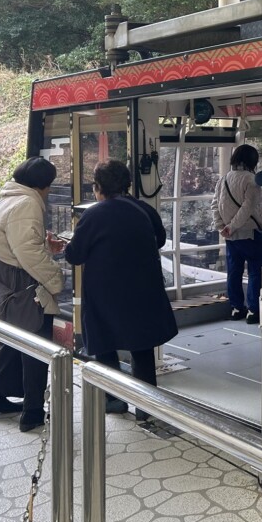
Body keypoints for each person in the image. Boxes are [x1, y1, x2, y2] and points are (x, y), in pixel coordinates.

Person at [60, 159, 177, 421]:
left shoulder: (93, 214)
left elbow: (75, 255)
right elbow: (159, 239)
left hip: (105, 293)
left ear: (98, 187)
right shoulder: (144, 210)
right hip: (143, 289)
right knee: (142, 346)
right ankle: (146, 407)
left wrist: (65, 246)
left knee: (105, 344)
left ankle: (112, 399)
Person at [0, 157, 64, 433]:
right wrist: (56, 279)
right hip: (24, 287)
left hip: (4, 285)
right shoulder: (28, 203)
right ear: (43, 184)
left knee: (10, 342)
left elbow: (15, 241)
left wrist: (44, 244)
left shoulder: (8, 198)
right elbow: (27, 253)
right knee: (36, 345)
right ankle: (32, 412)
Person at [211, 144, 262, 324]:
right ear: (252, 160)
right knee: (255, 271)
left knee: (234, 272)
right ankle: (253, 310)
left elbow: (214, 206)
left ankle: (236, 308)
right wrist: (233, 226)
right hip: (250, 233)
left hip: (230, 237)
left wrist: (223, 228)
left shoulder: (223, 179)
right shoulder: (252, 180)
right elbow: (248, 208)